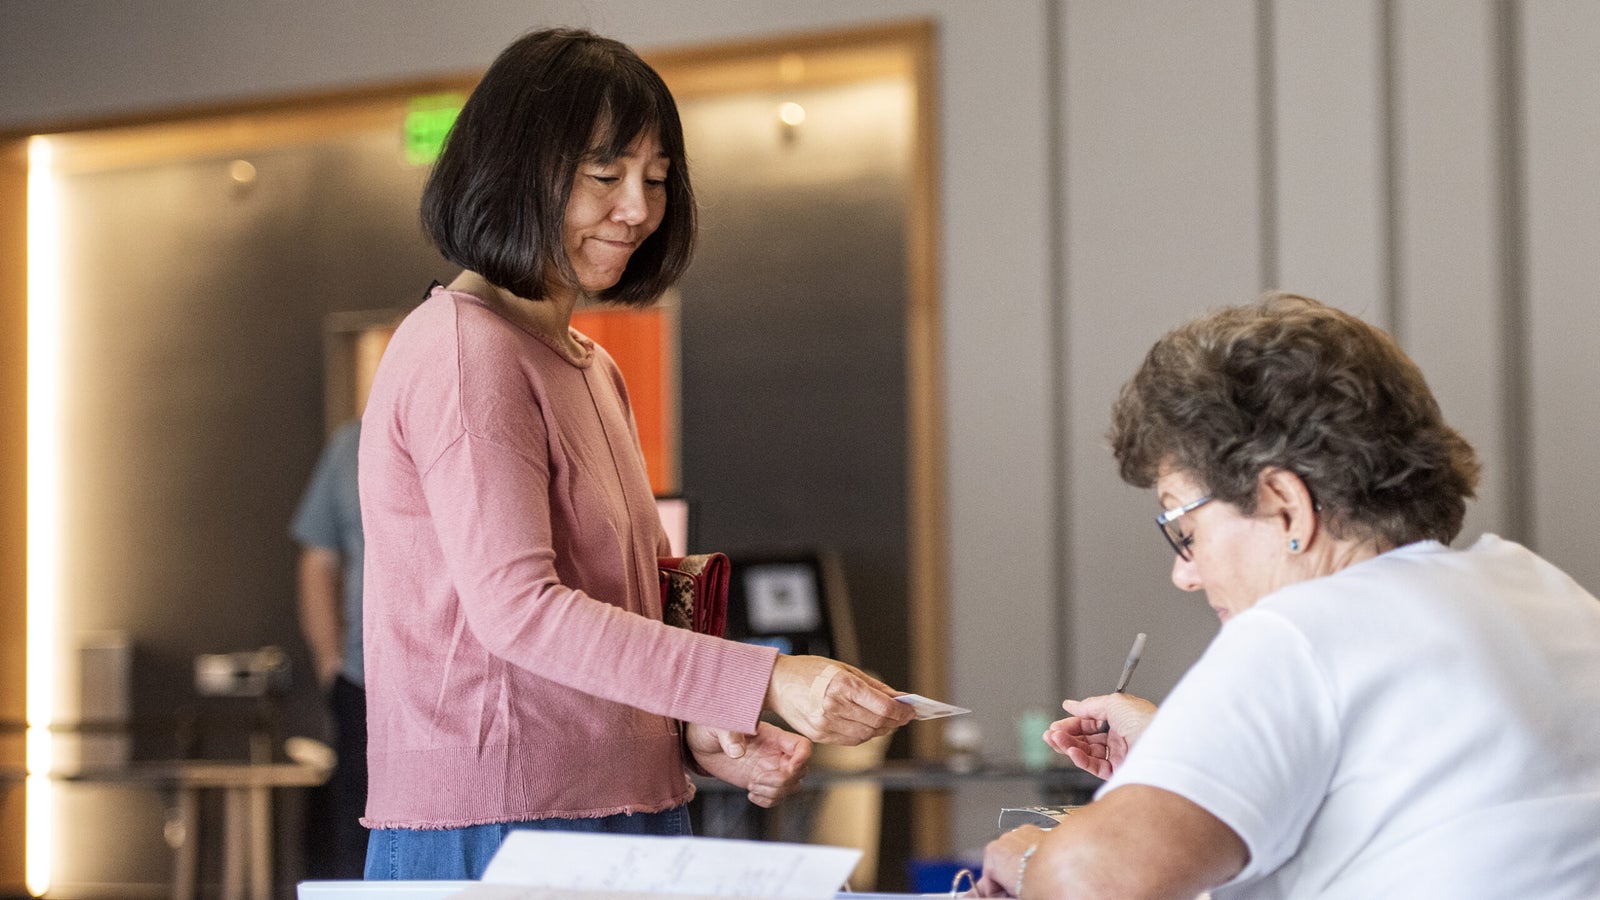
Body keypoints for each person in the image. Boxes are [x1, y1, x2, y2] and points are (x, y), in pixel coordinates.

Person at [358, 27, 914, 880]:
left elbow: (635, 599)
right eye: (604, 175)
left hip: (629, 808)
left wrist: (697, 731)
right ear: (514, 170)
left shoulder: (593, 365)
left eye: (655, 180)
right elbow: (519, 611)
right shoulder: (465, 351)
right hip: (500, 821)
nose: (638, 210)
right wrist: (763, 681)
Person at [976, 293, 1600, 898]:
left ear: (1285, 505)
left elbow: (1089, 881)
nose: (1186, 575)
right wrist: (1181, 755)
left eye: (1186, 530)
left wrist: (1035, 856)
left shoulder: (1298, 630)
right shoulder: (1543, 592)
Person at [291, 418, 369, 877]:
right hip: (362, 681)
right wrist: (330, 662)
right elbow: (318, 560)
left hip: (453, 681)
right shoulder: (351, 445)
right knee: (355, 836)